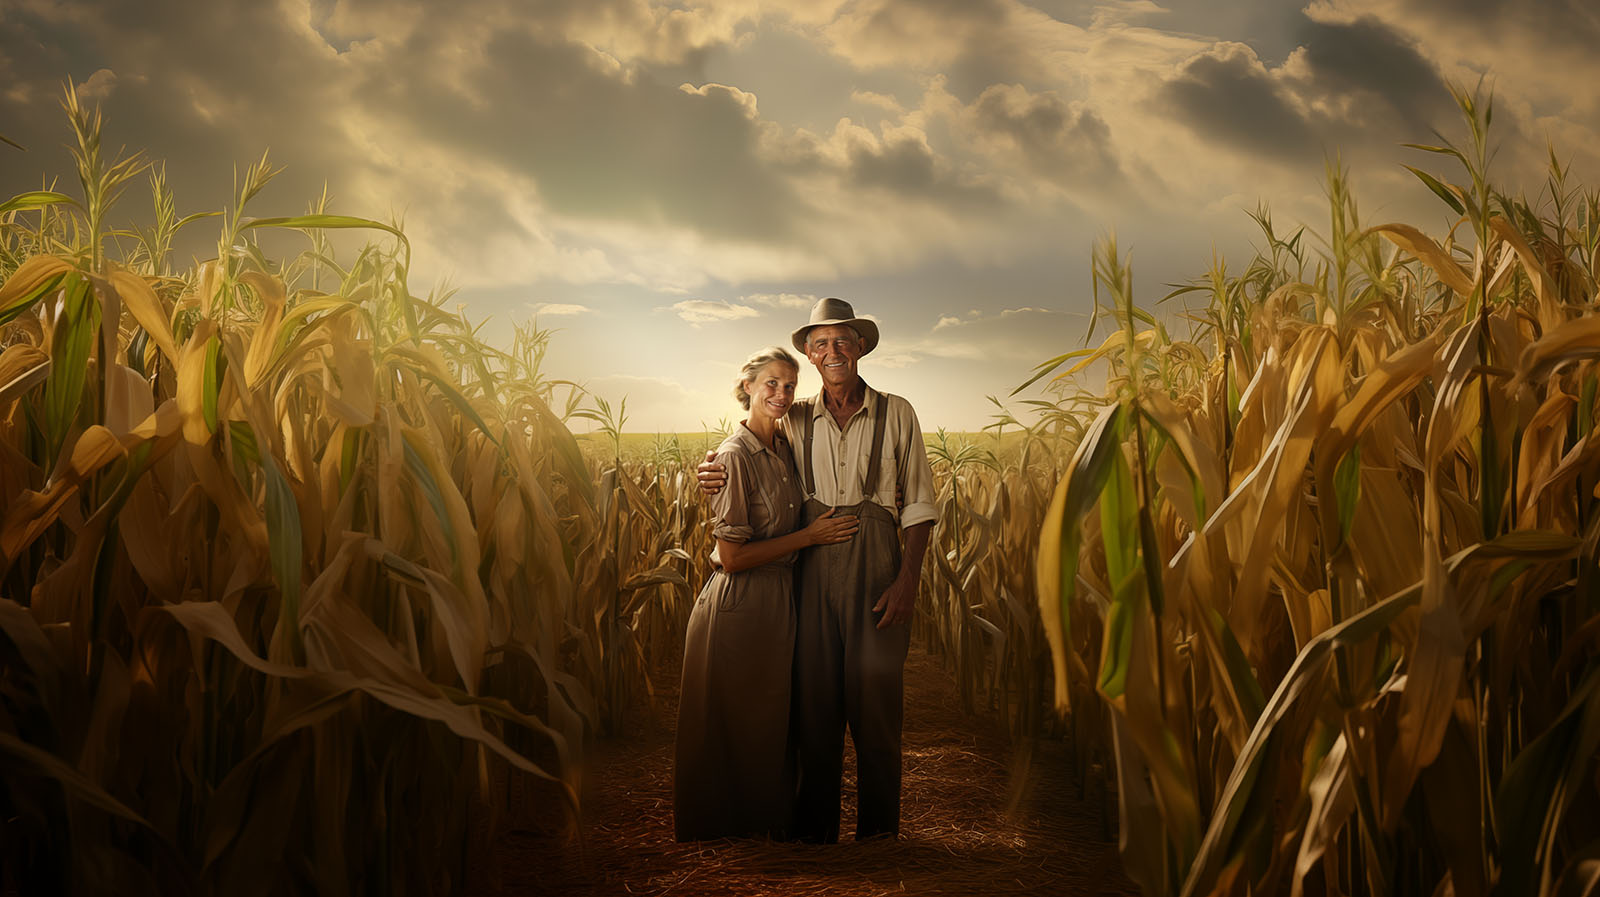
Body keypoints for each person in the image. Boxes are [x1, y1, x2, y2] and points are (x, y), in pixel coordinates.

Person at [698, 297, 937, 842]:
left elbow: (920, 504)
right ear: (809, 354)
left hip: (879, 570)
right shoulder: (794, 415)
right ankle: (815, 837)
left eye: (843, 341)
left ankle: (879, 838)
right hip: (809, 571)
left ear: (861, 347)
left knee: (877, 708)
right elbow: (748, 448)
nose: (833, 351)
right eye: (821, 343)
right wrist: (710, 467)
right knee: (814, 707)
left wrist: (908, 581)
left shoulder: (897, 411)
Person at [673, 346, 861, 842]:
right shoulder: (734, 456)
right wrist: (809, 537)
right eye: (771, 383)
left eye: (790, 385)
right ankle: (723, 837)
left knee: (770, 719)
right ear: (748, 386)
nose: (781, 393)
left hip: (780, 599)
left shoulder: (785, 447)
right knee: (736, 721)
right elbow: (732, 557)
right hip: (741, 600)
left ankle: (766, 830)